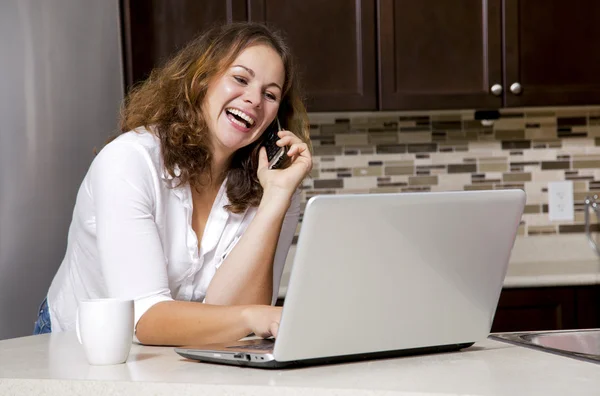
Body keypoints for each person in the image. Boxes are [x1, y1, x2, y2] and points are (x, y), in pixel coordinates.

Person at [33, 22, 312, 346]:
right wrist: (251, 316)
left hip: (177, 352)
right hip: (79, 347)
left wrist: (275, 200)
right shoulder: (129, 161)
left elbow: (231, 317)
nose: (253, 99)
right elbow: (144, 318)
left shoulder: (276, 186)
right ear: (201, 79)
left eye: (270, 94)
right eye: (240, 78)